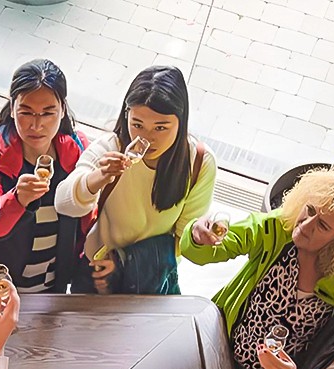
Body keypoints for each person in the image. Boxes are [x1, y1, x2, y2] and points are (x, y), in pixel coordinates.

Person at [183, 168, 334, 369]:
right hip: (221, 350)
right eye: (309, 209)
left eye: (323, 225)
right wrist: (197, 236)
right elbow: (209, 250)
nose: (305, 225)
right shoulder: (279, 227)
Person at [54, 66, 214, 296]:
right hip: (98, 275)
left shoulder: (198, 162)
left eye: (161, 127)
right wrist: (97, 178)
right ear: (126, 114)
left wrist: (124, 263)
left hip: (151, 282)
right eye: (137, 124)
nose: (146, 138)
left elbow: (183, 240)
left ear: (181, 123)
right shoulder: (113, 147)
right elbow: (63, 202)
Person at [0, 59, 91, 294]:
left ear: (62, 109)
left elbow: (87, 218)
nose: (37, 124)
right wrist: (18, 199)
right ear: (12, 108)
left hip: (50, 287)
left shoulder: (77, 151)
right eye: (26, 112)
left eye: (48, 113)